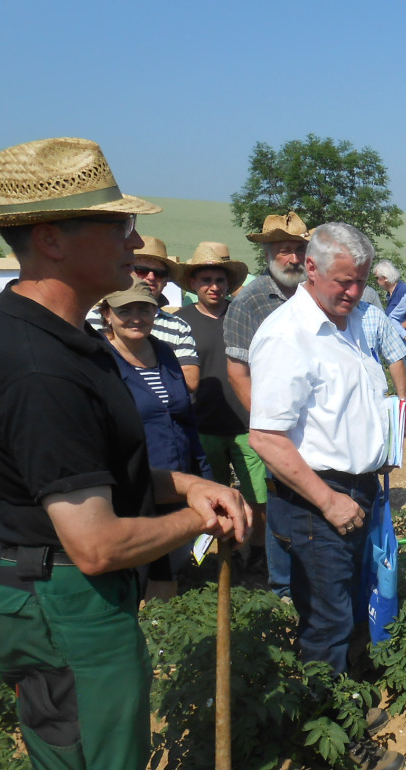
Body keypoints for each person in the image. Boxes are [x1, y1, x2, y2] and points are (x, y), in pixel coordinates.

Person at [0, 136, 249, 770]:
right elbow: (95, 544)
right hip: (62, 604)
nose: (135, 242)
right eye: (115, 226)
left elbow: (97, 472)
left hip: (63, 597)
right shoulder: (38, 371)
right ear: (51, 239)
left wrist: (184, 482)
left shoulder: (67, 337)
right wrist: (198, 523)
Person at [248, 223, 406, 770]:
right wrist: (328, 500)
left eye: (362, 281)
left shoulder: (356, 323)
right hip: (316, 500)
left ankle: (345, 708)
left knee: (348, 613)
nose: (355, 292)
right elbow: (267, 438)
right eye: (344, 281)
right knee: (327, 623)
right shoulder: (286, 335)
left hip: (356, 491)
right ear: (310, 269)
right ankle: (329, 742)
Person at [97, 286, 211, 599]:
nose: (136, 318)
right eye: (125, 310)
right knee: (132, 575)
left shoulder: (163, 352)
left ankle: (162, 643)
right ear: (107, 314)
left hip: (177, 481)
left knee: (169, 569)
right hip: (130, 490)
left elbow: (186, 420)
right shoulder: (99, 360)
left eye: (144, 310)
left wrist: (205, 478)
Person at [224, 211, 310, 596]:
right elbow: (238, 373)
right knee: (279, 506)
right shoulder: (251, 300)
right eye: (283, 250)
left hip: (315, 426)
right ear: (268, 254)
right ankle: (282, 590)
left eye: (297, 249)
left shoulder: (315, 293)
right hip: (275, 429)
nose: (291, 258)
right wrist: (268, 427)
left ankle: (313, 582)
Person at [175, 243, 276, 573]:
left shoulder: (242, 315)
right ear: (193, 283)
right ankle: (221, 558)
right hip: (202, 426)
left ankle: (258, 553)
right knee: (212, 498)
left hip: (248, 424)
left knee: (258, 496)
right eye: (206, 279)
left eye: (219, 279)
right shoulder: (179, 322)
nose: (214, 286)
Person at [85, 233, 201, 392]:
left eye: (159, 273)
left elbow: (191, 381)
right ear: (127, 270)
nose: (151, 277)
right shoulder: (93, 318)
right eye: (141, 270)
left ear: (166, 281)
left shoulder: (179, 326)